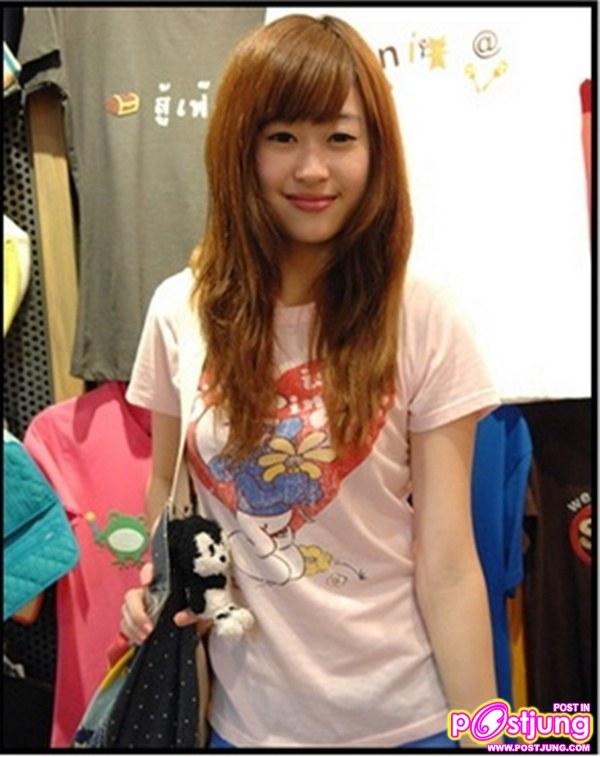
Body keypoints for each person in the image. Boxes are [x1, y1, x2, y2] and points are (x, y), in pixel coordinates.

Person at [122, 13, 501, 749]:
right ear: (241, 147)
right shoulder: (179, 309)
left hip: (411, 719)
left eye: (340, 138)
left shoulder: (424, 315)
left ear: (376, 150)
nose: (313, 169)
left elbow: (450, 564)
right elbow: (165, 488)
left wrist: (492, 736)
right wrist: (152, 583)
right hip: (242, 726)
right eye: (282, 137)